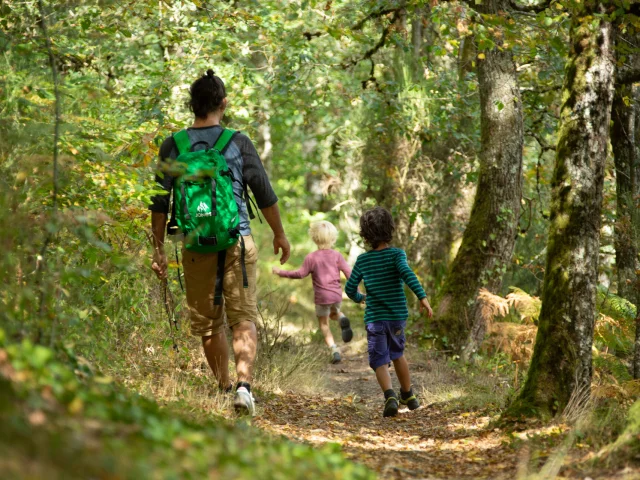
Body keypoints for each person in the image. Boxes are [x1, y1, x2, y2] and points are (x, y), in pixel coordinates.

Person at [149, 69, 290, 416]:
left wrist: (158, 250)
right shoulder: (238, 142)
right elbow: (265, 194)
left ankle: (224, 386)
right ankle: (243, 387)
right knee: (242, 317)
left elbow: (158, 203)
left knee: (209, 323)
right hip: (236, 240)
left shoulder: (173, 144)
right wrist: (280, 234)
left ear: (192, 105)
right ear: (223, 104)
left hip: (194, 244)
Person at [345, 207, 433, 418]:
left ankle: (390, 396)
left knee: (379, 359)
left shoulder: (363, 260)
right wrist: (423, 298)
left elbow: (349, 289)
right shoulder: (397, 255)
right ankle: (409, 395)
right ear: (390, 230)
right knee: (398, 354)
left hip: (375, 319)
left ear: (365, 234)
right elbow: (407, 274)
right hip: (396, 317)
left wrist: (361, 298)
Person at [272, 221, 354, 364]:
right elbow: (348, 273)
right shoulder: (337, 256)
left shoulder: (312, 257)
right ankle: (341, 318)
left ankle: (334, 349)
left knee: (324, 324)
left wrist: (281, 272)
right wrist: (357, 291)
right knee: (335, 313)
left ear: (314, 238)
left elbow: (299, 274)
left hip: (322, 298)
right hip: (336, 296)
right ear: (333, 238)